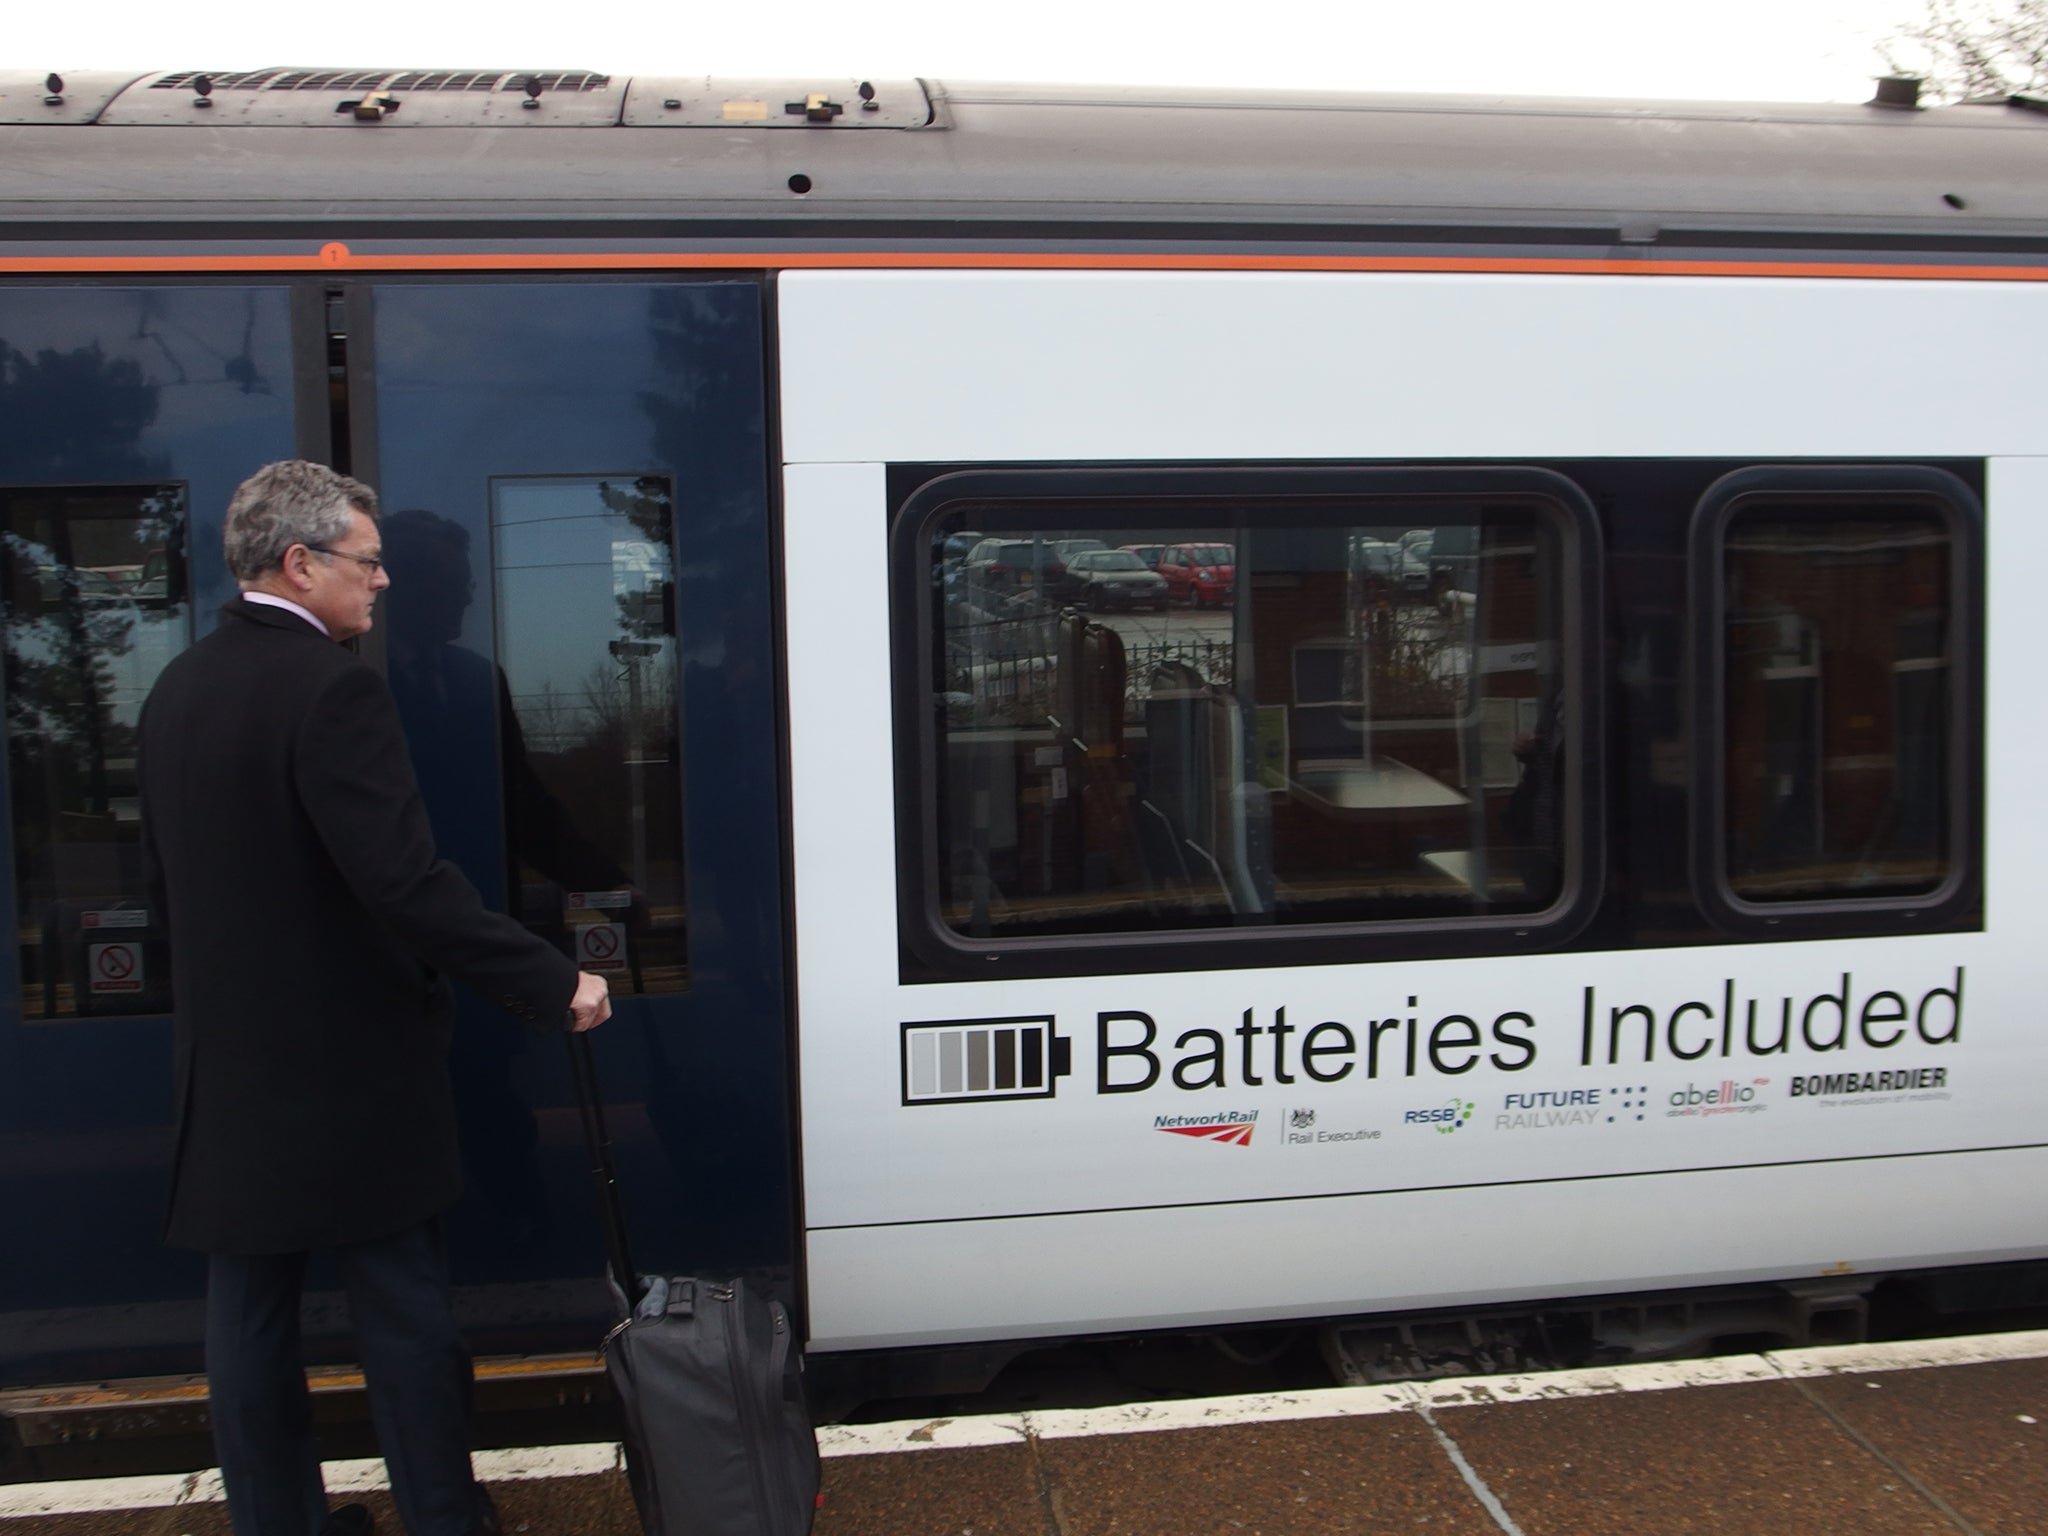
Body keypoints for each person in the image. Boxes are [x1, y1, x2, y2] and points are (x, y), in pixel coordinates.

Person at [138, 461, 613, 1536]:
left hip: (229, 1059)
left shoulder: (179, 687)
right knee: (402, 1307)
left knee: (249, 1312)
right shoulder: (334, 690)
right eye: (367, 560)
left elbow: (164, 886)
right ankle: (444, 1518)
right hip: (347, 1064)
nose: (383, 582)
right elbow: (401, 883)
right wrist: (551, 981)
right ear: (300, 564)